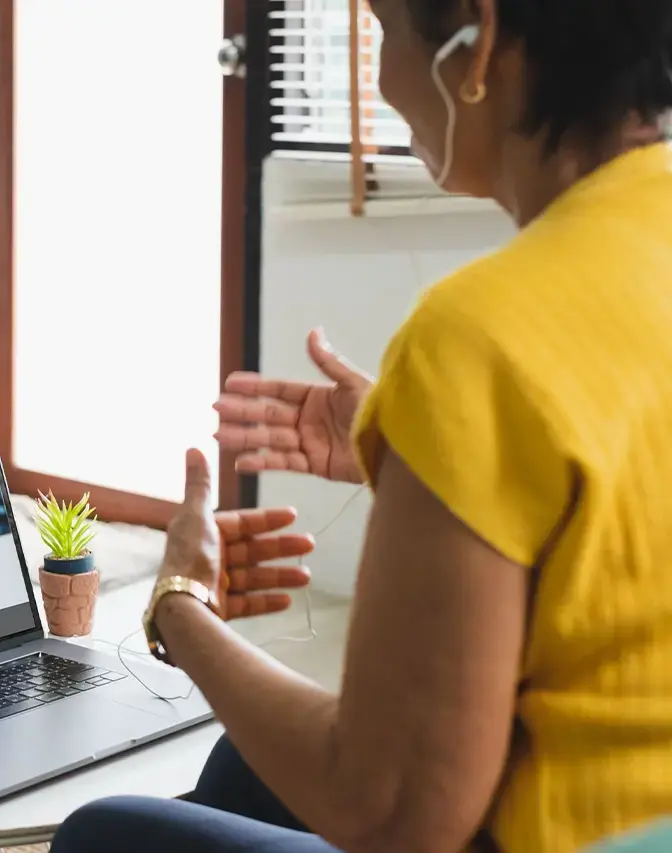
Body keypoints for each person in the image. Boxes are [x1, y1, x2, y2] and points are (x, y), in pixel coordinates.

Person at [50, 1, 672, 851]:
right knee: (242, 766)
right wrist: (425, 449)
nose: (379, 78)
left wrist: (179, 606)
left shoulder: (483, 333)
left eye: (384, 29)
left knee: (107, 834)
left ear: (477, 40)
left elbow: (391, 809)